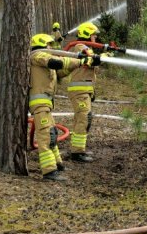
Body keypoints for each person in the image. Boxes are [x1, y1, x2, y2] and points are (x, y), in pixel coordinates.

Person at [29, 32, 99, 181]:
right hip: (39, 104)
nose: (52, 48)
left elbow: (61, 71)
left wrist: (81, 63)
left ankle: (57, 164)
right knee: (46, 135)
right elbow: (57, 63)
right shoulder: (37, 56)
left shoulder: (44, 60)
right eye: (50, 45)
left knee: (52, 133)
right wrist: (79, 61)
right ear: (43, 45)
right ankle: (48, 172)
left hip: (46, 104)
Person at [63, 22, 101, 163]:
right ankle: (77, 153)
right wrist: (95, 60)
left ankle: (79, 148)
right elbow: (87, 62)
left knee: (85, 118)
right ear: (86, 34)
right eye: (93, 35)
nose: (95, 37)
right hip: (79, 91)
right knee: (83, 118)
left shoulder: (85, 48)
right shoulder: (80, 48)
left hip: (84, 90)